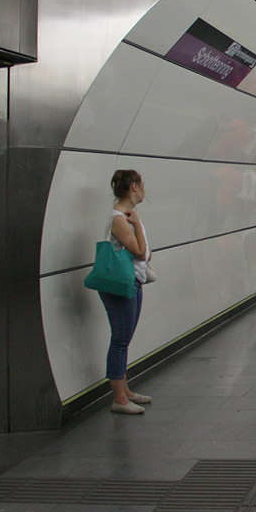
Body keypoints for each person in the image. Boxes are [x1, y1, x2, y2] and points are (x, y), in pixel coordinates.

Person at [101, 170, 153, 414]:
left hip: (133, 280)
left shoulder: (127, 217)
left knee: (125, 337)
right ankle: (119, 398)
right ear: (133, 187)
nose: (144, 190)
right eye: (142, 185)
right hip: (122, 283)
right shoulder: (121, 220)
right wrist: (136, 225)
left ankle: (124, 389)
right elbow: (140, 252)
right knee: (120, 338)